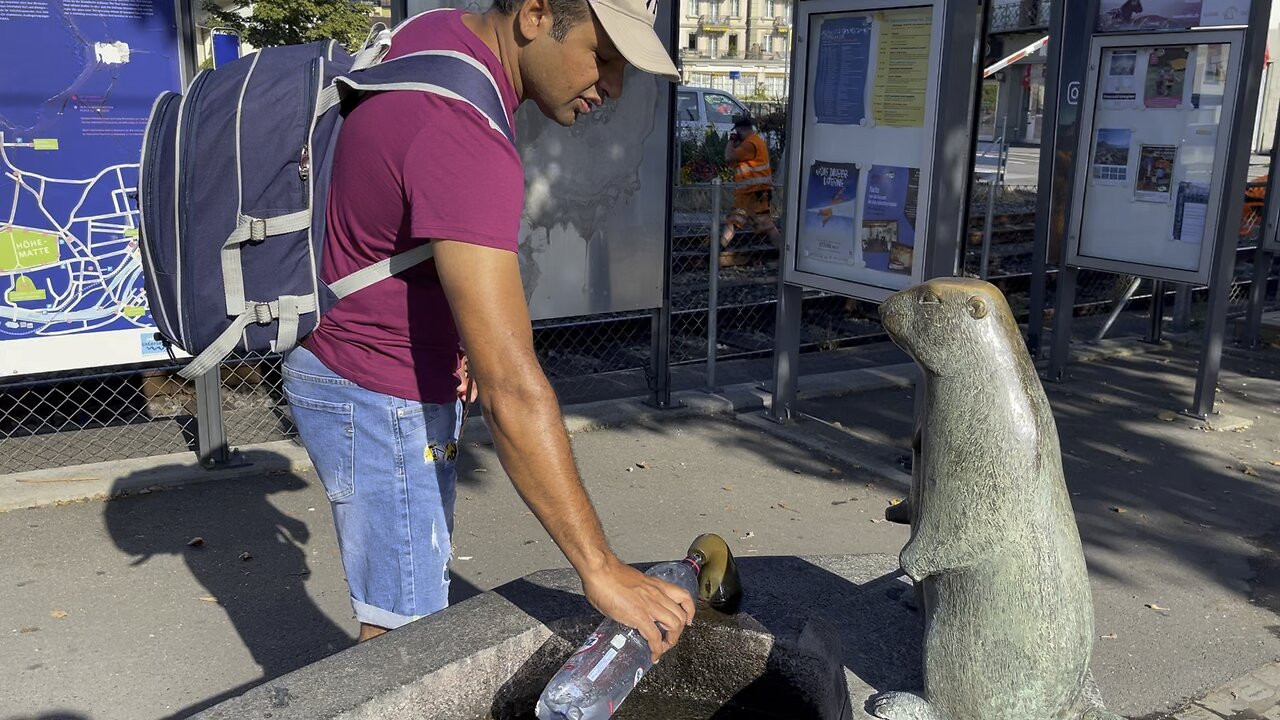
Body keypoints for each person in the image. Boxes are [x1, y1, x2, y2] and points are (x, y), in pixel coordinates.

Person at [281, 0, 695, 662]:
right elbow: (512, 387)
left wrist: (456, 332)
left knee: (401, 608)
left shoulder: (439, 35)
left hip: (355, 358)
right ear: (535, 13)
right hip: (377, 388)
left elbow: (394, 214)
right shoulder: (464, 134)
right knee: (404, 638)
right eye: (605, 57)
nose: (612, 87)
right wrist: (601, 567)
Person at [720, 114, 782, 249]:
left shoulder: (750, 144)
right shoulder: (755, 141)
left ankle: (782, 253)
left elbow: (728, 156)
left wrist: (731, 141)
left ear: (740, 130)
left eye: (736, 132)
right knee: (734, 220)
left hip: (755, 192)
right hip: (751, 192)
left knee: (765, 224)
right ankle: (718, 248)